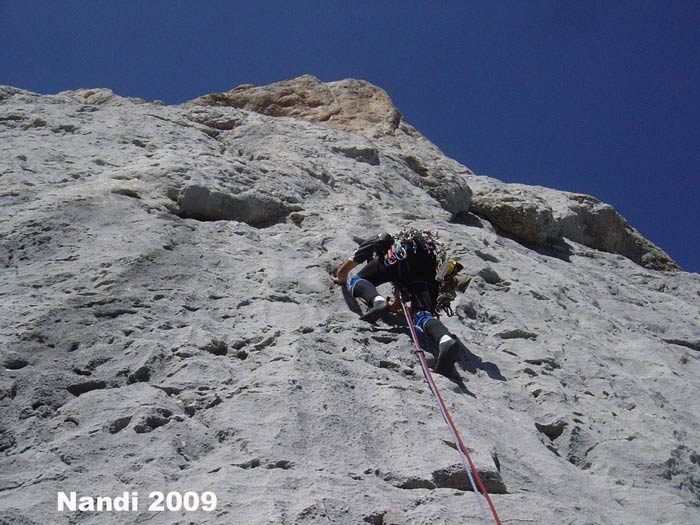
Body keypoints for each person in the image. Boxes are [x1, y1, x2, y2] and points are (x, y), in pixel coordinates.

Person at [333, 228, 463, 376]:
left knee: (357, 280)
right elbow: (402, 295)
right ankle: (445, 340)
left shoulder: (378, 239)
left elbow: (343, 272)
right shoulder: (428, 248)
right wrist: (392, 306)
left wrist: (340, 279)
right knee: (422, 315)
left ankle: (377, 300)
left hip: (399, 256)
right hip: (431, 267)